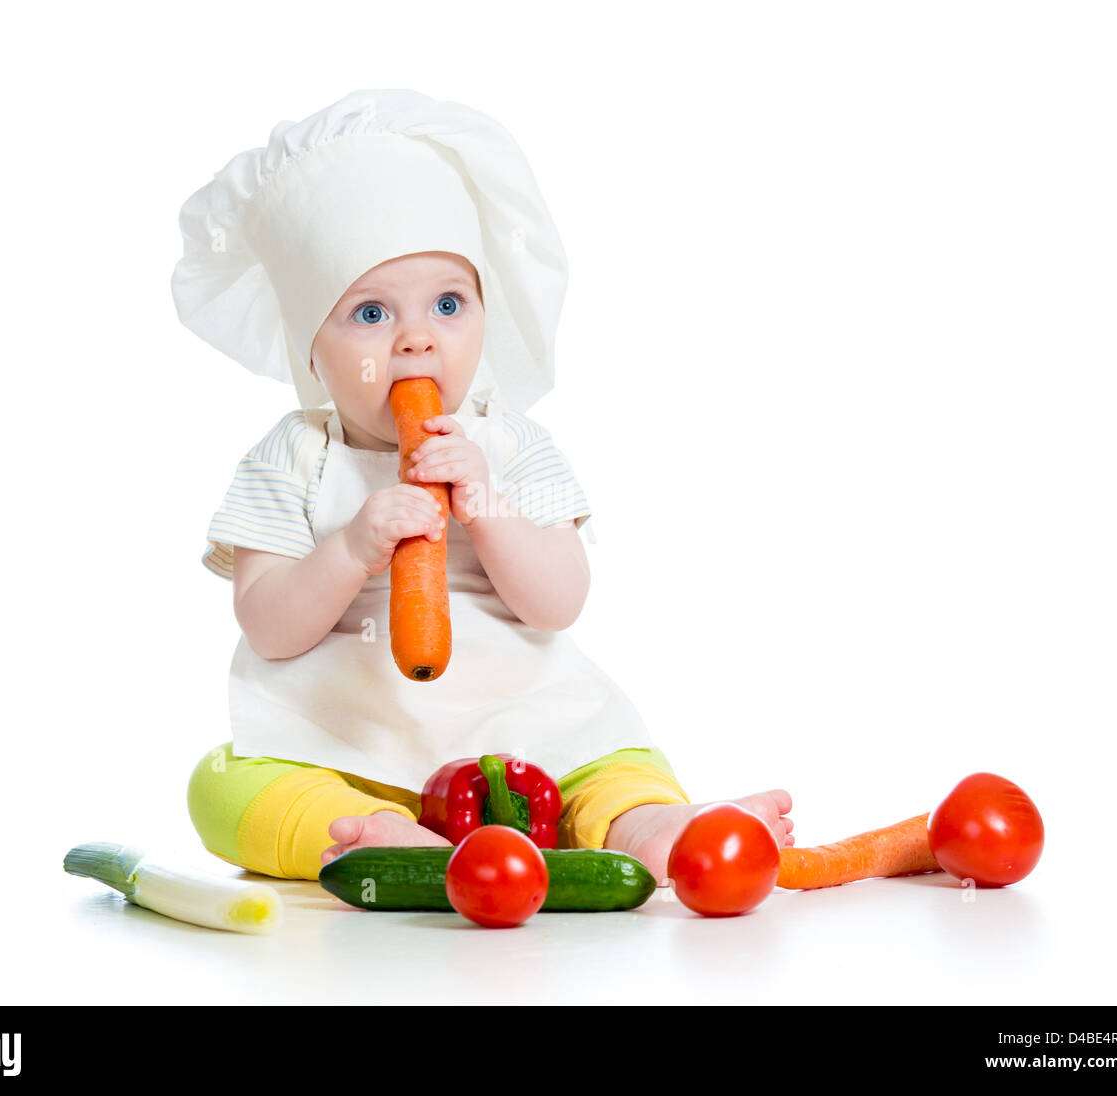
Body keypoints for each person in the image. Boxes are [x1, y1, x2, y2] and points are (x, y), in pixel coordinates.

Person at [171, 89, 793, 886]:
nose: (418, 337)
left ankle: (653, 827)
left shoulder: (514, 445)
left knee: (616, 763)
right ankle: (386, 836)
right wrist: (353, 546)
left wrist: (486, 506)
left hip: (531, 730)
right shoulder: (291, 457)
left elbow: (559, 601)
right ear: (311, 352)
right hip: (346, 737)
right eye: (369, 312)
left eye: (448, 303)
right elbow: (267, 627)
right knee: (221, 786)